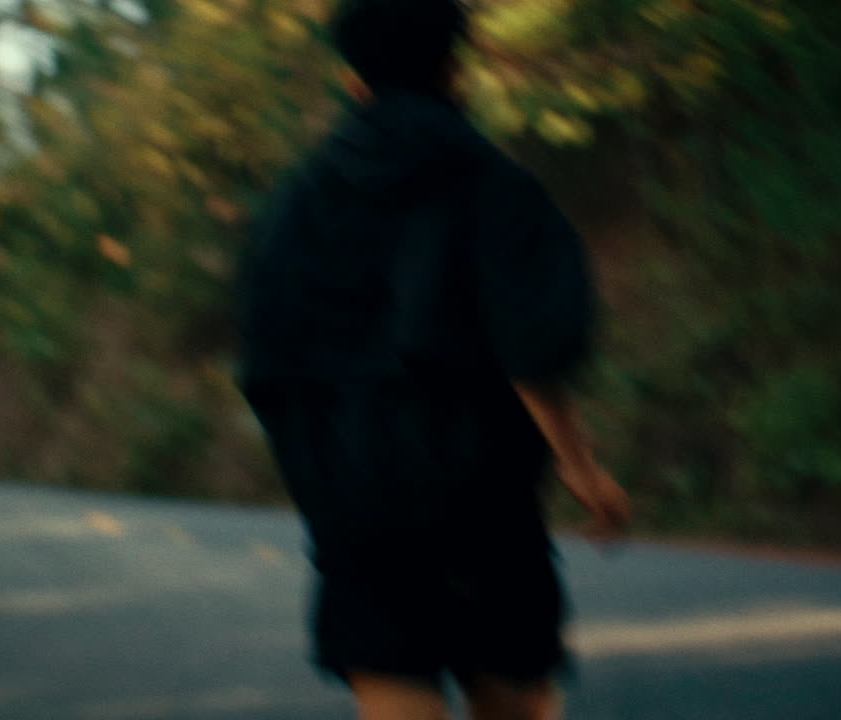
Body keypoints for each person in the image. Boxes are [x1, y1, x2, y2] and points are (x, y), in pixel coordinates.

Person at [236, 1, 631, 718]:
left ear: (353, 81)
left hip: (359, 517)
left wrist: (324, 481)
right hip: (484, 509)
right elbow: (531, 346)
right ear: (457, 72)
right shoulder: (496, 186)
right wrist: (580, 466)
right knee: (514, 698)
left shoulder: (294, 209)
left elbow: (269, 366)